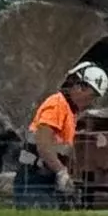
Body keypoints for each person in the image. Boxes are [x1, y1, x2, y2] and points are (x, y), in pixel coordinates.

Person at [16, 71, 94, 205]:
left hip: (46, 177)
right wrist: (61, 171)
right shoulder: (57, 104)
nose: (91, 102)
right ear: (81, 87)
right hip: (34, 178)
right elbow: (43, 144)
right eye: (91, 96)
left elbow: (61, 148)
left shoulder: (70, 112)